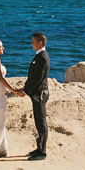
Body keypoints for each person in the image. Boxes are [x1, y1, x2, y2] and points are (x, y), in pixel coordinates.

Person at [20, 32, 50, 160]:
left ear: (40, 43)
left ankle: (42, 152)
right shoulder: (39, 56)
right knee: (38, 121)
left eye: (33, 41)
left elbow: (37, 79)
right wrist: (25, 88)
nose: (31, 44)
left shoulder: (42, 57)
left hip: (40, 94)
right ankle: (39, 148)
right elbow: (32, 76)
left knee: (41, 122)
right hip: (36, 93)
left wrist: (25, 91)